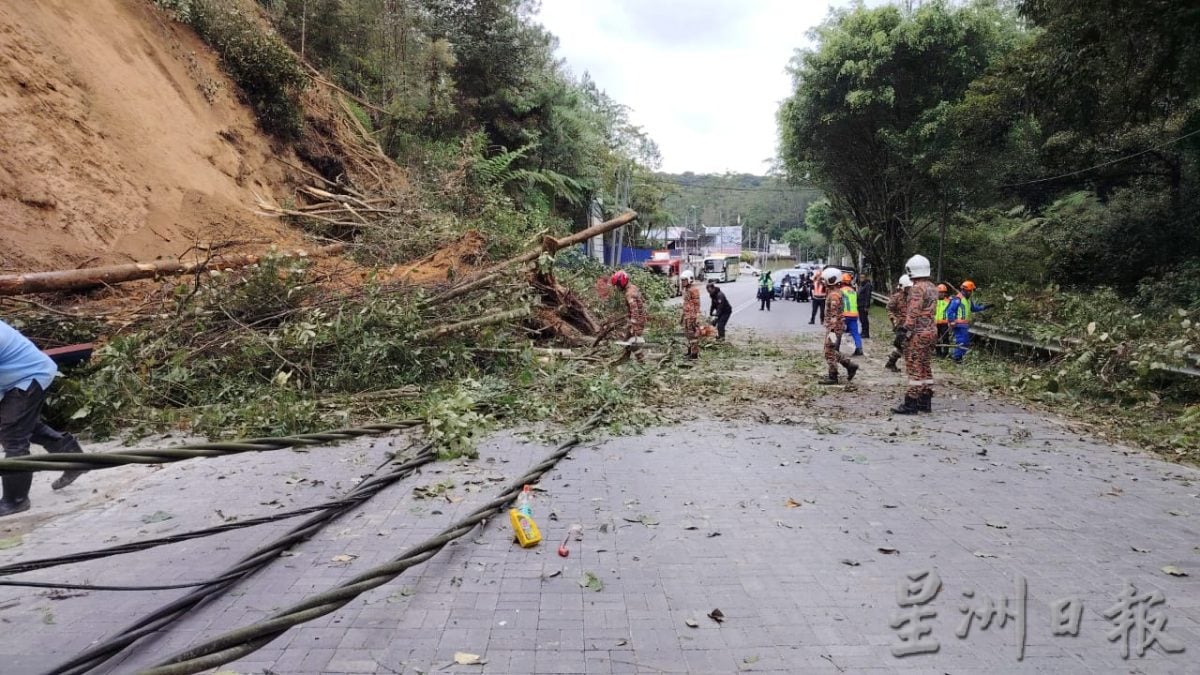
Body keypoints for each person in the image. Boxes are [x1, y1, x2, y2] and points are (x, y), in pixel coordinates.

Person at [0, 320, 87, 516]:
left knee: (13, 434)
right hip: (10, 378)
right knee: (20, 424)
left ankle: (16, 500)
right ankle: (74, 456)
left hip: (29, 375)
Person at [893, 256, 938, 414]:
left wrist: (903, 331)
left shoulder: (917, 288)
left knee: (914, 366)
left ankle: (910, 403)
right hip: (931, 331)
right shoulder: (933, 287)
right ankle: (925, 401)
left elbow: (913, 313)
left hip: (918, 333)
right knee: (925, 365)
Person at [818, 268, 859, 385]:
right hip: (835, 327)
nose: (824, 282)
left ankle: (833, 375)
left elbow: (834, 315)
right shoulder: (834, 292)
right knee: (831, 350)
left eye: (825, 280)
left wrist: (831, 330)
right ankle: (849, 365)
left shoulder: (834, 295)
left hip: (834, 328)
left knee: (828, 351)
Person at [945, 280, 988, 363]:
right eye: (970, 291)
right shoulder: (958, 299)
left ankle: (959, 357)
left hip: (964, 325)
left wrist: (985, 307)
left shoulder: (967, 300)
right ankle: (957, 358)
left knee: (965, 342)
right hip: (958, 324)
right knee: (962, 341)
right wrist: (951, 321)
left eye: (971, 291)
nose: (971, 292)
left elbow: (973, 308)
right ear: (965, 290)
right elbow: (950, 311)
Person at [611, 270, 646, 363]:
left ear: (622, 282)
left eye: (618, 285)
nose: (617, 288)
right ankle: (625, 358)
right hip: (640, 318)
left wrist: (633, 325)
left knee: (634, 343)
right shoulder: (633, 287)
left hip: (637, 321)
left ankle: (642, 362)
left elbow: (635, 310)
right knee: (627, 339)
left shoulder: (629, 293)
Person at [884, 275, 912, 372]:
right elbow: (889, 308)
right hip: (900, 325)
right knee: (904, 345)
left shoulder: (913, 297)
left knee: (904, 346)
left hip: (911, 325)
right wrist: (893, 318)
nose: (909, 289)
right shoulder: (896, 297)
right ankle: (911, 367)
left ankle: (891, 362)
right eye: (908, 287)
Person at [840, 272, 864, 356]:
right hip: (854, 315)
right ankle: (859, 348)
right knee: (855, 332)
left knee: (838, 331)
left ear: (841, 282)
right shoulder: (853, 291)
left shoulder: (841, 291)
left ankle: (836, 348)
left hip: (844, 315)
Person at [681, 270, 702, 360]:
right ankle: (690, 351)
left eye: (684, 280)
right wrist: (682, 317)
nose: (682, 282)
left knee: (693, 336)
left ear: (689, 279)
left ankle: (694, 355)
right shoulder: (686, 289)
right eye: (682, 280)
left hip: (692, 317)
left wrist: (696, 317)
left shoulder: (694, 290)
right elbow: (686, 304)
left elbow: (697, 304)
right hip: (687, 316)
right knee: (688, 335)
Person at [935, 284, 951, 358]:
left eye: (943, 292)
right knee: (936, 338)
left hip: (945, 323)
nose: (941, 294)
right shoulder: (933, 301)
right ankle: (938, 353)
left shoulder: (949, 301)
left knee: (945, 339)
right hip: (935, 323)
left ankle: (945, 353)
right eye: (940, 292)